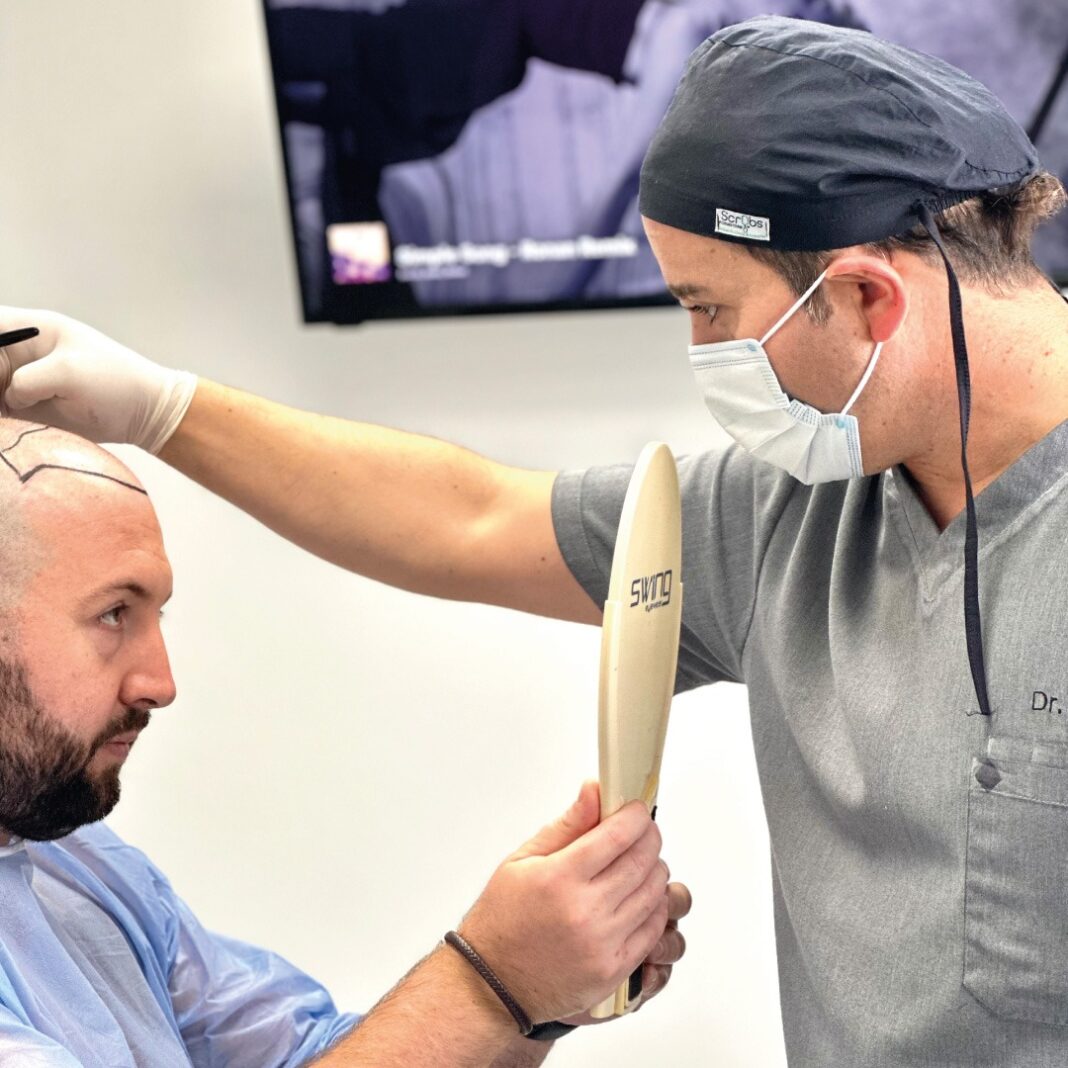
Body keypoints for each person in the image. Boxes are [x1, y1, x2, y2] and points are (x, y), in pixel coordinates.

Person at [3, 13, 1068, 1066]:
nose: (699, 348)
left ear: (867, 298)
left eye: (707, 308)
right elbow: (468, 518)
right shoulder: (795, 514)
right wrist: (160, 407)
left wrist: (496, 983)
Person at [0, 420, 689, 1067]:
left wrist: (540, 998)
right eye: (114, 613)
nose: (161, 683)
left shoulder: (81, 870)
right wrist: (491, 985)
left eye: (158, 616)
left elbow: (309, 1053)